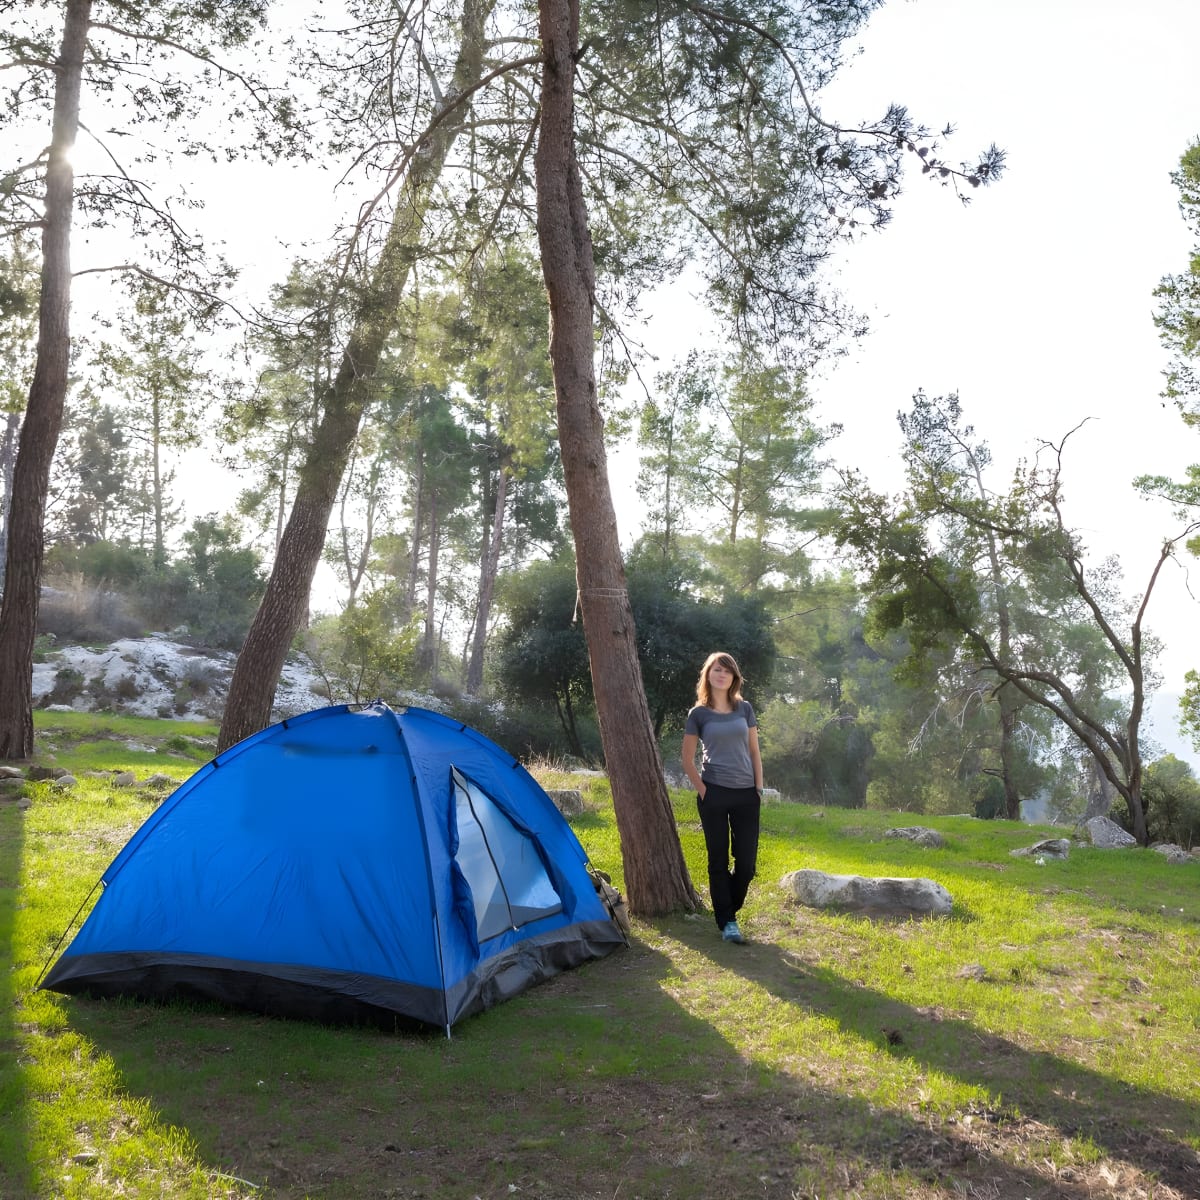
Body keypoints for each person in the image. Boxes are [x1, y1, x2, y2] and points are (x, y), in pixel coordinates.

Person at [682, 651, 763, 944]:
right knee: (717, 860)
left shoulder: (745, 709)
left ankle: (726, 907)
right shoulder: (698, 714)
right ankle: (728, 922)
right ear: (708, 675)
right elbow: (687, 759)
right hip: (714, 792)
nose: (721, 674)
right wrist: (704, 791)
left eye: (727, 671)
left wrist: (758, 788)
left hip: (746, 794)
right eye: (717, 669)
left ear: (733, 678)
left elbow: (754, 751)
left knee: (746, 866)